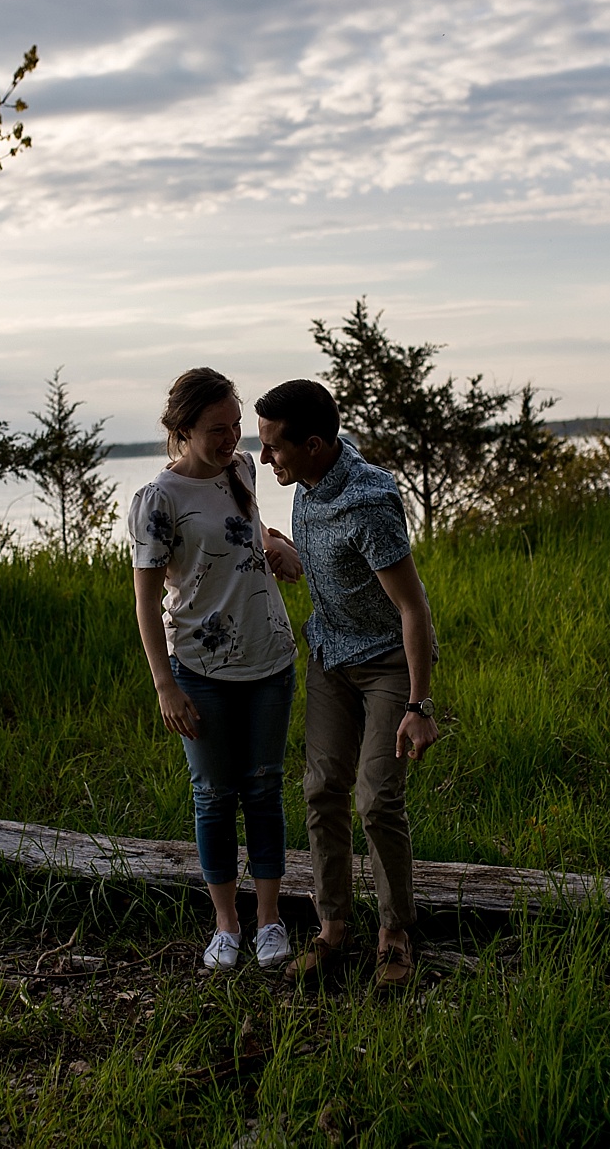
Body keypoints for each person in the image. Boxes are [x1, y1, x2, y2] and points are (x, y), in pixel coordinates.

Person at [254, 379, 439, 990]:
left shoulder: (369, 504)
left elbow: (412, 607)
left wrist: (419, 704)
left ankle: (396, 934)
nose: (264, 458)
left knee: (377, 800)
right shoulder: (308, 479)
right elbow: (333, 563)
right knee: (321, 789)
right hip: (330, 658)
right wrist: (286, 550)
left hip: (387, 664)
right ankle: (332, 928)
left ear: (313, 444)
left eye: (273, 446)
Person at [128, 368, 304, 972]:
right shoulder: (159, 500)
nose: (231, 439)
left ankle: (269, 919)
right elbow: (145, 601)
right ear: (182, 430)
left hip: (269, 657)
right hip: (200, 668)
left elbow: (247, 530)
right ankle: (226, 923)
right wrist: (164, 684)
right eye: (216, 430)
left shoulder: (243, 469)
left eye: (236, 426)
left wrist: (274, 546)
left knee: (265, 789)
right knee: (213, 796)